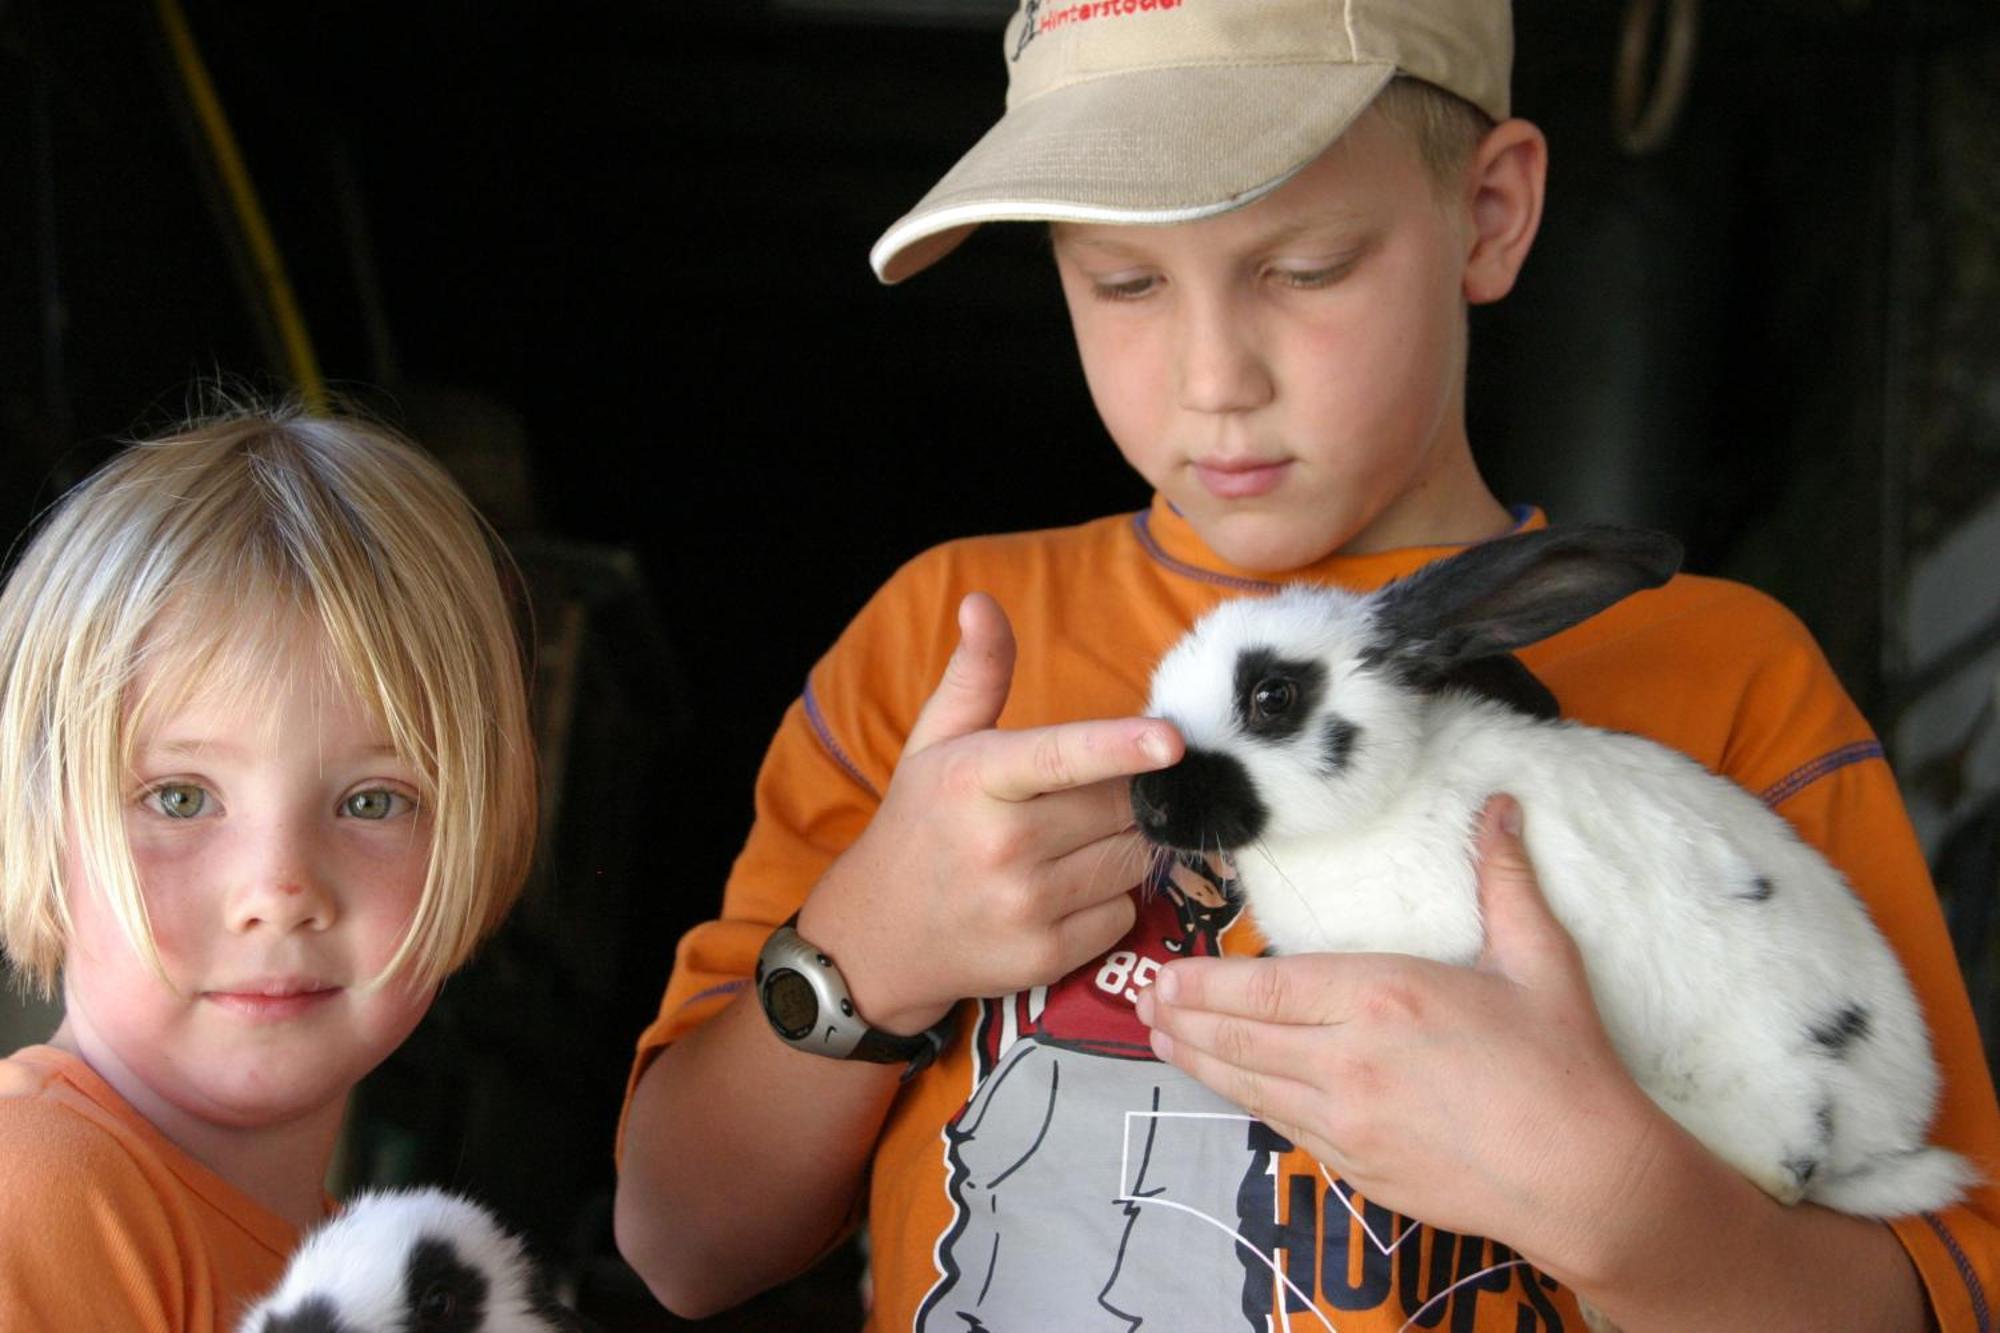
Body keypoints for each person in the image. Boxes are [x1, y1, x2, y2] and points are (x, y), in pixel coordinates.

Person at [613, 2, 2000, 1328]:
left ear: (1493, 215)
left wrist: (1629, 1205)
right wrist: (868, 954)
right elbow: (681, 1244)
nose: (1216, 375)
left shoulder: (1724, 671)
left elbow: (1943, 1271)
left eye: (1306, 267)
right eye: (1126, 280)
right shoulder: (939, 639)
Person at [0, 408, 538, 1329]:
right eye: (179, 797)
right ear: (43, 824)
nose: (279, 895)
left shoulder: (380, 1276)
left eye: (373, 800)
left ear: (477, 830)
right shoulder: (35, 1194)